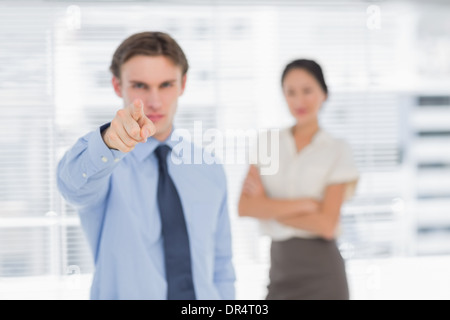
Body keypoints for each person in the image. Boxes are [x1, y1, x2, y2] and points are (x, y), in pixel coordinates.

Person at [56, 31, 236, 300]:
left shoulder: (208, 168)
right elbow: (71, 185)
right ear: (118, 86)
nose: (154, 101)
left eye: (166, 85)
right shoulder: (104, 164)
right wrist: (109, 142)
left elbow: (221, 266)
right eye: (140, 86)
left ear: (183, 84)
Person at [238, 59, 359, 300]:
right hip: (280, 268)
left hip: (324, 274)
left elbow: (326, 225)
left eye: (307, 90)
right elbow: (245, 207)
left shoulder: (337, 150)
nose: (298, 101)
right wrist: (306, 205)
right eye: (290, 92)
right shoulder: (268, 143)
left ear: (323, 93)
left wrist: (267, 207)